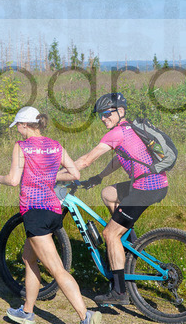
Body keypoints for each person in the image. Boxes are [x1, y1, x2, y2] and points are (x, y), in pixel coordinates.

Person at [0, 106, 102, 324]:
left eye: (18, 125)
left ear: (27, 125)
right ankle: (27, 312)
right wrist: (50, 176)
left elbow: (13, 180)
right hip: (52, 211)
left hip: (34, 213)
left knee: (57, 270)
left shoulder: (22, 147)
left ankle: (85, 316)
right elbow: (75, 174)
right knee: (29, 258)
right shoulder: (55, 145)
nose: (17, 130)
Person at [57, 92, 168, 306]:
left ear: (121, 112)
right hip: (156, 183)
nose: (103, 118)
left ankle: (119, 291)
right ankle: (130, 245)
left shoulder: (115, 134)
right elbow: (120, 159)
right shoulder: (130, 129)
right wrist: (99, 178)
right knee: (108, 194)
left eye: (107, 113)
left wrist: (53, 175)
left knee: (109, 234)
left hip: (145, 187)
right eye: (100, 114)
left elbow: (86, 160)